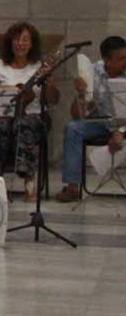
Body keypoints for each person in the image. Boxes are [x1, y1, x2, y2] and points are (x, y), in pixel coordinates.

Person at [0, 21, 58, 200]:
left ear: (32, 44)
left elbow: (53, 100)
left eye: (25, 40)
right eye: (16, 39)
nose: (20, 43)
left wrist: (49, 80)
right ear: (10, 43)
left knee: (24, 125)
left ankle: (29, 183)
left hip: (34, 116)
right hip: (4, 114)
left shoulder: (40, 67)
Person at [56, 35, 126, 202]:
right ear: (107, 60)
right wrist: (81, 94)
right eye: (121, 58)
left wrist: (121, 132)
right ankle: (73, 187)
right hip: (101, 122)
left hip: (124, 123)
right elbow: (77, 115)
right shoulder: (92, 72)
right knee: (73, 128)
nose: (125, 61)